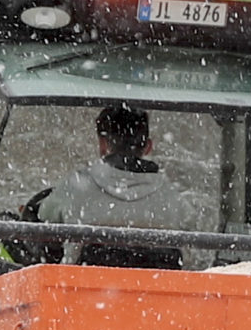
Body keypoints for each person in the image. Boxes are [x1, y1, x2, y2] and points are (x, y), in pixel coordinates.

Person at [31, 105, 214, 266]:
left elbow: (42, 219)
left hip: (78, 299)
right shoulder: (175, 200)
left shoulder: (75, 187)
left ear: (103, 144)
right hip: (158, 301)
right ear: (148, 146)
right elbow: (196, 256)